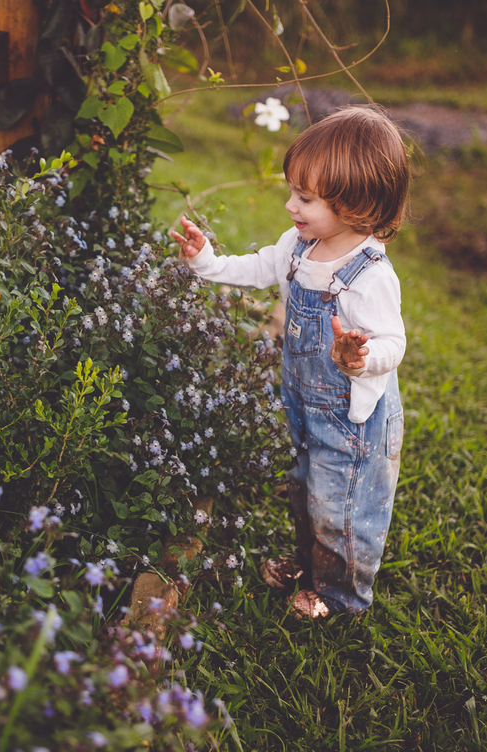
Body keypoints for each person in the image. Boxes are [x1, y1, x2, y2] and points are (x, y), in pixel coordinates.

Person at [172, 105, 410, 618]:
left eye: (304, 198)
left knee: (340, 505)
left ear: (356, 204)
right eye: (292, 192)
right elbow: (259, 267)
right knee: (304, 489)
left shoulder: (369, 275)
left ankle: (343, 597)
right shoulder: (301, 247)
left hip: (352, 418)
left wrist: (360, 357)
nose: (289, 206)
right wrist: (206, 261)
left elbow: (394, 343)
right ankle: (310, 566)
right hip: (303, 403)